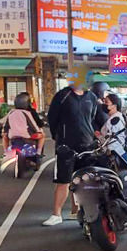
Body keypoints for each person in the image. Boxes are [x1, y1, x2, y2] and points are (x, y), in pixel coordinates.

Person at [43, 77, 100, 226]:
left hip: (87, 145)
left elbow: (93, 118)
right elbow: (52, 118)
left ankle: (78, 211)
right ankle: (56, 214)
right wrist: (59, 137)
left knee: (85, 179)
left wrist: (93, 135)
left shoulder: (92, 97)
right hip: (66, 145)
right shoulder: (62, 96)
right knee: (63, 180)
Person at [100, 92, 127, 164]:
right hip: (117, 155)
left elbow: (112, 141)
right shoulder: (116, 117)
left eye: (106, 102)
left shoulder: (115, 120)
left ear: (114, 105)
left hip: (117, 157)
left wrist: (99, 136)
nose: (103, 104)